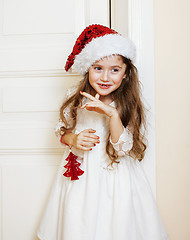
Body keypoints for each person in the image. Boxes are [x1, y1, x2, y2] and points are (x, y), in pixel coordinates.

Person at [37, 24, 169, 240]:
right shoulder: (76, 96)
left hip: (115, 174)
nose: (105, 77)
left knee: (115, 220)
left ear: (126, 73)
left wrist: (112, 114)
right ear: (87, 68)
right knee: (79, 218)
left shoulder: (128, 103)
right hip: (82, 174)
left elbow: (123, 148)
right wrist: (74, 138)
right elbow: (61, 130)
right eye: (98, 68)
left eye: (114, 70)